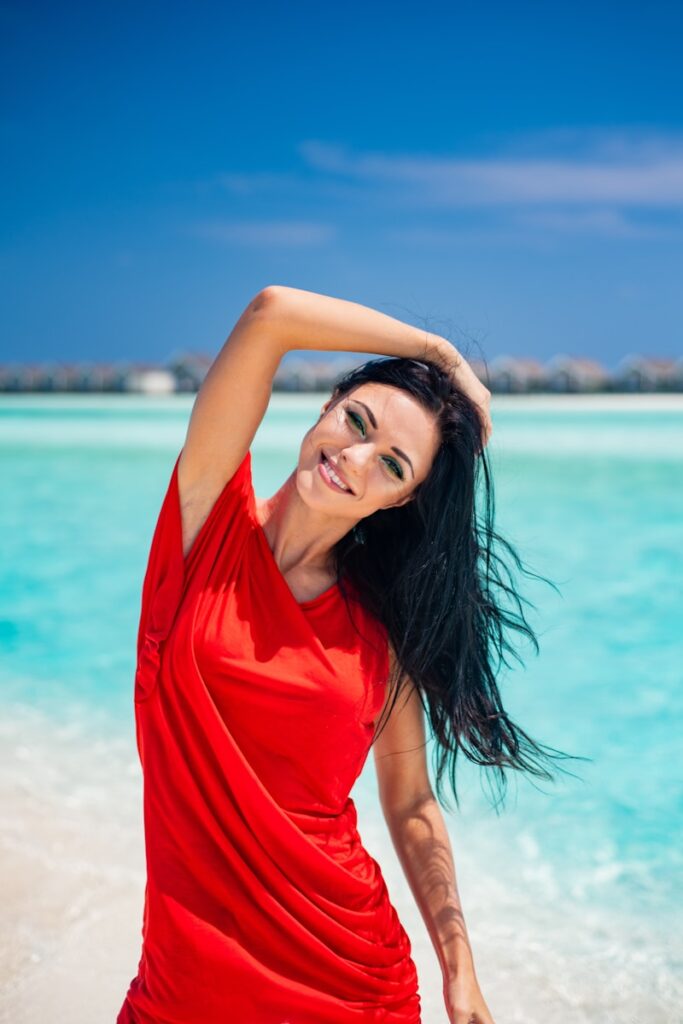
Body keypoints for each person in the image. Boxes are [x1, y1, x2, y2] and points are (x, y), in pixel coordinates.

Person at [117, 285, 575, 1024]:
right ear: (323, 406)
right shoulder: (204, 526)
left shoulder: (379, 632)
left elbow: (412, 804)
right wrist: (438, 353)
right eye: (354, 420)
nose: (354, 459)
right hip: (179, 991)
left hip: (351, 982)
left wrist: (461, 977)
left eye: (392, 466)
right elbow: (270, 313)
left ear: (399, 502)